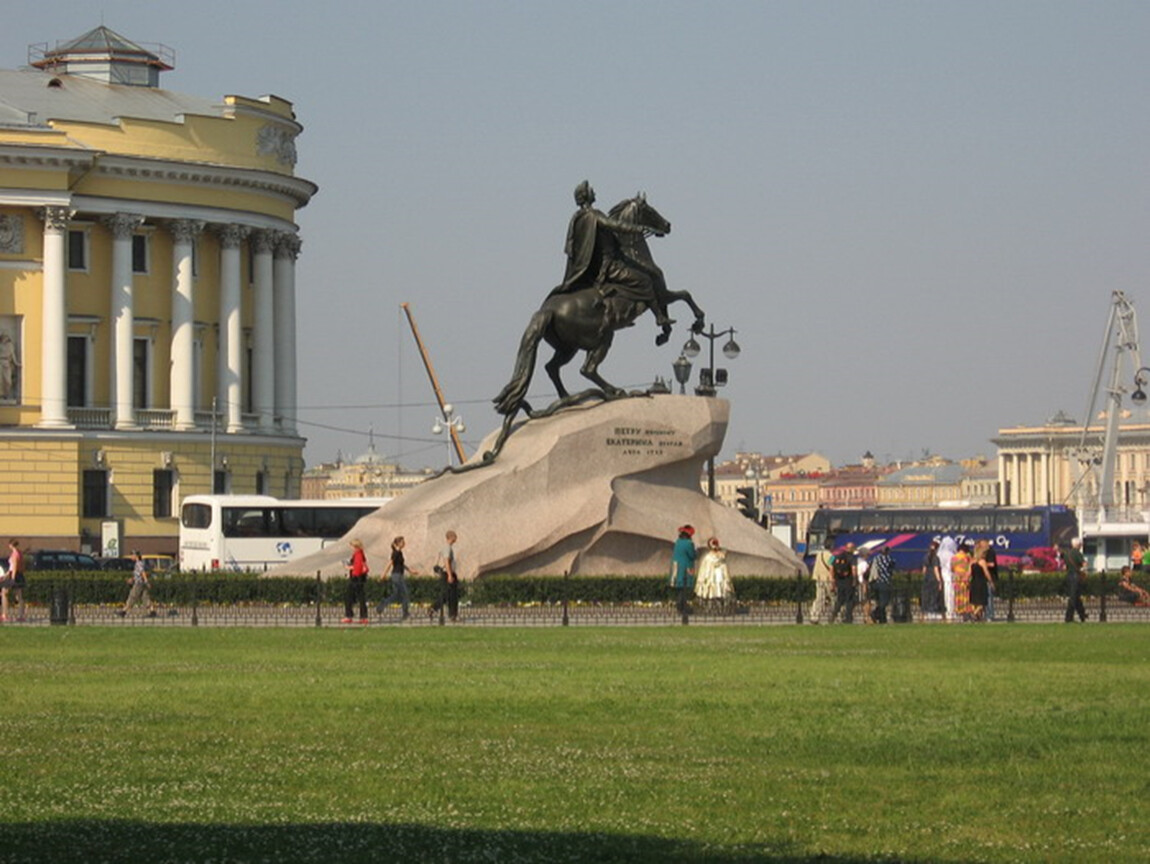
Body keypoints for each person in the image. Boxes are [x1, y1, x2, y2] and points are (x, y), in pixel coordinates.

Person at [550, 181, 673, 329]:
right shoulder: (593, 215)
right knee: (645, 280)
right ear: (586, 196)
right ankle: (659, 317)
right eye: (591, 191)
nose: (594, 193)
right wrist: (639, 228)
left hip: (592, 266)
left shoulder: (577, 218)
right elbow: (616, 226)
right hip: (607, 266)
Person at [377, 536, 418, 620]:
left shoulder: (399, 553)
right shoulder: (396, 553)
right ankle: (405, 614)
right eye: (402, 542)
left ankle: (382, 604)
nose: (404, 543)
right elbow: (390, 563)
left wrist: (410, 571)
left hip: (398, 575)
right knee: (405, 594)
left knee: (396, 595)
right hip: (397, 576)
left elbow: (401, 564)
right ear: (398, 543)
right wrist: (383, 574)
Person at [694, 536, 734, 609]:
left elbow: (724, 569)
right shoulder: (712, 557)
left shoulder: (714, 557)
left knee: (719, 589)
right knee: (714, 590)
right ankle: (715, 605)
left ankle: (719, 605)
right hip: (713, 578)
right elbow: (705, 570)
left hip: (719, 577)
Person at [430, 530, 459, 622]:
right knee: (452, 595)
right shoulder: (447, 548)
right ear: (451, 537)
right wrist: (450, 575)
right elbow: (446, 561)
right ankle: (452, 615)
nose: (456, 538)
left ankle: (434, 608)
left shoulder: (446, 547)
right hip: (448, 573)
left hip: (447, 572)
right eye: (455, 536)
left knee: (447, 595)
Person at [117, 551, 157, 618]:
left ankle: (124, 611)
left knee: (132, 596)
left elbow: (142, 573)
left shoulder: (138, 564)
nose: (131, 557)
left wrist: (146, 581)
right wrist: (132, 579)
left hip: (139, 584)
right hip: (142, 583)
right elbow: (138, 574)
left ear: (136, 556)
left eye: (132, 555)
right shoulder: (140, 563)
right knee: (145, 597)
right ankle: (152, 611)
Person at [669, 525, 698, 616]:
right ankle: (682, 607)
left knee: (679, 589)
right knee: (683, 589)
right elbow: (692, 555)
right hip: (685, 568)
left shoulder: (678, 542)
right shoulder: (689, 543)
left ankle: (680, 606)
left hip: (676, 567)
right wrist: (696, 552)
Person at [343, 538, 369, 624]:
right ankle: (363, 617)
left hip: (355, 578)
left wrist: (349, 567)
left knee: (348, 596)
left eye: (352, 546)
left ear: (355, 546)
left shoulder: (357, 554)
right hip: (360, 578)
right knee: (361, 597)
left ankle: (349, 615)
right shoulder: (361, 553)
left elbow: (357, 567)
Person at [829, 542, 857, 623]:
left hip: (839, 580)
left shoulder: (837, 556)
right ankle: (848, 617)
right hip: (849, 581)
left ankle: (833, 615)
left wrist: (833, 580)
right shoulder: (852, 558)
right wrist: (855, 580)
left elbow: (831, 567)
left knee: (840, 599)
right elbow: (853, 569)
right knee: (849, 600)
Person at [808, 538, 835, 624]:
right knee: (833, 598)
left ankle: (814, 616)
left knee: (819, 598)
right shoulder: (831, 556)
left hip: (818, 578)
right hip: (827, 579)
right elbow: (831, 568)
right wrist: (833, 580)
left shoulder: (819, 554)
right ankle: (835, 615)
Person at [0, 538, 26, 622]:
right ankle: (21, 615)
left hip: (15, 575)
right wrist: (6, 575)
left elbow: (14, 567)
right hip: (19, 575)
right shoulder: (20, 553)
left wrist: (12, 579)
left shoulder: (14, 554)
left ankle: (5, 615)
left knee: (4, 593)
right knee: (19, 596)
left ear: (10, 545)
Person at [1063, 537, 1088, 623]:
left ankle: (1082, 615)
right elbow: (1084, 564)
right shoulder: (1077, 553)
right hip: (1075, 577)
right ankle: (1068, 617)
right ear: (1078, 545)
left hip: (1069, 576)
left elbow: (1065, 566)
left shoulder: (1067, 553)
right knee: (1074, 598)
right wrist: (1083, 571)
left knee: (1076, 597)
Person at [969, 543, 995, 622]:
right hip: (981, 582)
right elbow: (986, 573)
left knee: (974, 601)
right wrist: (991, 582)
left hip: (974, 582)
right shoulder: (982, 562)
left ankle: (977, 616)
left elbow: (969, 573)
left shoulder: (972, 562)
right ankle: (974, 613)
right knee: (983, 601)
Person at [921, 540, 944, 620]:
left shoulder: (925, 557)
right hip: (933, 579)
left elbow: (924, 570)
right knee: (934, 596)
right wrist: (939, 581)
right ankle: (933, 611)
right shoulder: (936, 558)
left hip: (927, 579)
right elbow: (936, 570)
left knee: (927, 596)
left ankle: (926, 612)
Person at [952, 542, 972, 621]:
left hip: (957, 578)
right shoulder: (967, 557)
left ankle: (959, 611)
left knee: (958, 595)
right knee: (966, 596)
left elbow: (952, 568)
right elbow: (970, 567)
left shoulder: (954, 558)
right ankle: (966, 612)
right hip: (965, 578)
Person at [938, 536, 957, 621]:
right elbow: (951, 567)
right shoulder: (951, 555)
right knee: (949, 594)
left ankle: (941, 612)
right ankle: (950, 612)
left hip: (940, 575)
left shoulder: (939, 554)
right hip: (948, 576)